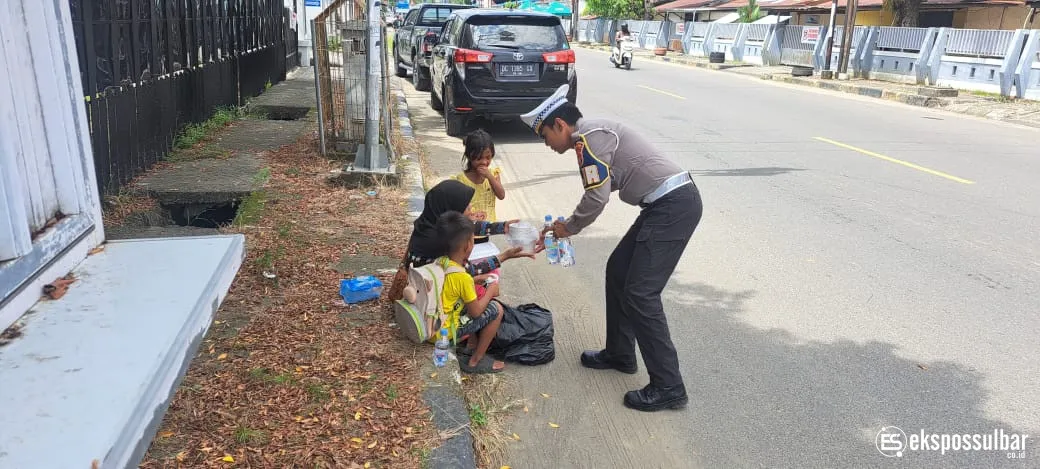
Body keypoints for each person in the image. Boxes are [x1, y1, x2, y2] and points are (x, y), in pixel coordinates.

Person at [520, 84, 703, 412]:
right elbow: (606, 183)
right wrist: (566, 224)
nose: (547, 144)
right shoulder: (591, 136)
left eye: (545, 136)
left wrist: (568, 227)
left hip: (672, 206)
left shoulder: (586, 139)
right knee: (618, 271)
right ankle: (620, 353)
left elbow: (596, 197)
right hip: (663, 205)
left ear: (560, 125)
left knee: (641, 294)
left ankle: (669, 386)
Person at [388, 180, 530, 301]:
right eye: (466, 207)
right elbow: (470, 270)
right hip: (434, 303)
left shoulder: (427, 224)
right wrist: (504, 256)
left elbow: (468, 226)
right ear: (451, 210)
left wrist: (503, 227)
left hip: (420, 289)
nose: (471, 210)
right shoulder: (442, 244)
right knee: (491, 300)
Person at [437, 211, 506, 374]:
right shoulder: (463, 277)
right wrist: (491, 291)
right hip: (444, 334)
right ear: (468, 245)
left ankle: (470, 346)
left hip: (433, 323)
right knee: (496, 309)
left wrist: (475, 279)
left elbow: (453, 286)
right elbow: (476, 313)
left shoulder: (441, 261)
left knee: (471, 298)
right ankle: (475, 361)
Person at [453, 129, 506, 245]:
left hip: (486, 229)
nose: (484, 162)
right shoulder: (461, 180)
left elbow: (501, 195)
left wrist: (490, 177)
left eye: (488, 158)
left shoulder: (494, 175)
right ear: (469, 156)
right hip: (467, 231)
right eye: (479, 158)